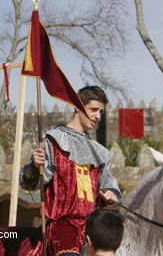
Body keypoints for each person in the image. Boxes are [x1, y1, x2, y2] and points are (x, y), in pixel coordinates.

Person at [20, 86, 121, 256]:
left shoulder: (99, 152)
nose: (98, 116)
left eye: (101, 112)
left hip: (94, 228)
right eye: (93, 110)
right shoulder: (54, 140)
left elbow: (109, 185)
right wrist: (35, 168)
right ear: (77, 106)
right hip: (63, 228)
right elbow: (29, 183)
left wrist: (112, 194)